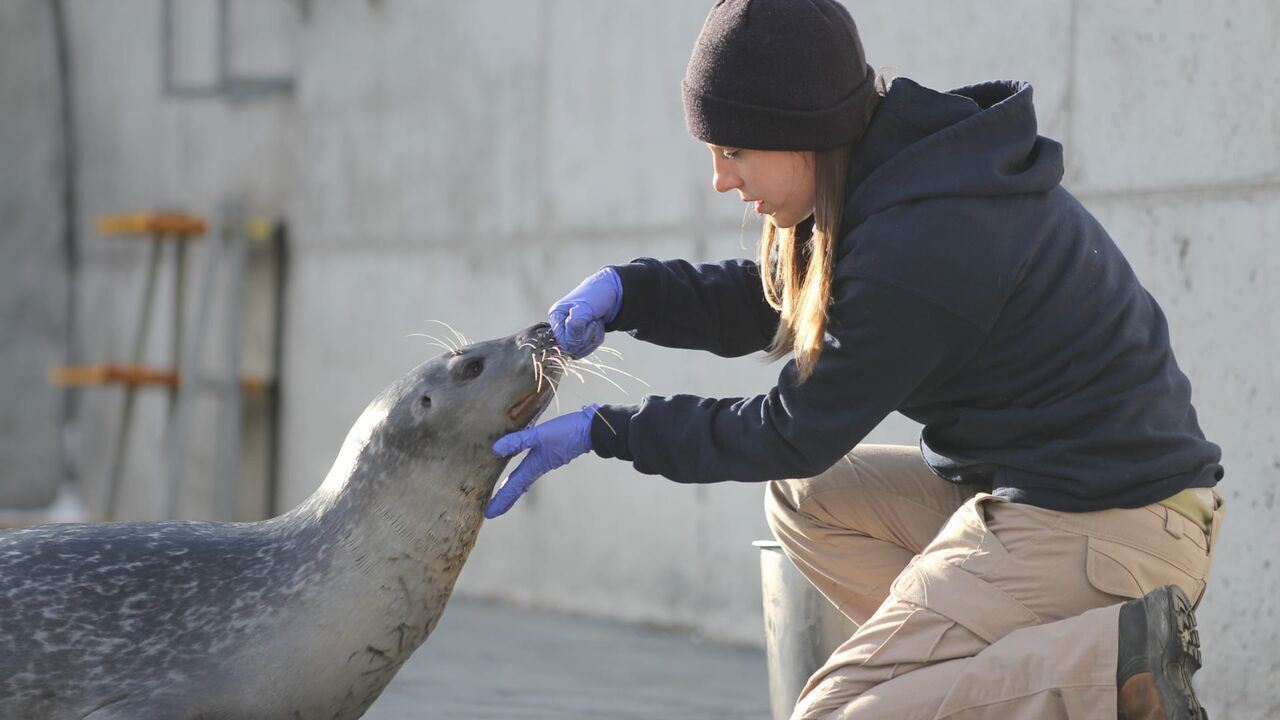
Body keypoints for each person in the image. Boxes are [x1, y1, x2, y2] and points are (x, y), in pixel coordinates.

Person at [485, 1, 1224, 718]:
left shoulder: (921, 240)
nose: (721, 178)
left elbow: (792, 429)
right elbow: (776, 302)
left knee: (835, 712)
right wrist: (631, 293)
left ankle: (1109, 667)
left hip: (1109, 529)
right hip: (1074, 500)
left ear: (799, 129)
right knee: (808, 499)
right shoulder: (902, 176)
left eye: (734, 149)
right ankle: (984, 681)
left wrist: (608, 433)